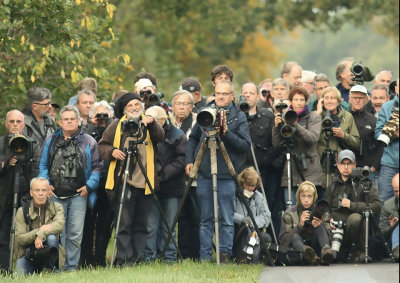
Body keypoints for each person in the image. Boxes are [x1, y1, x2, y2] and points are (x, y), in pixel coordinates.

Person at [185, 80, 251, 262]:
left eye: (225, 94)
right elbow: (193, 139)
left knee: (226, 219)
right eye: (218, 93)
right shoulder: (205, 112)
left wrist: (227, 133)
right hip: (205, 172)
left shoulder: (239, 116)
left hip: (227, 174)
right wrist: (189, 161)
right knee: (205, 218)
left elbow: (245, 145)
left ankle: (225, 255)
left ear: (232, 96)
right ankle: (205, 257)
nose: (221, 97)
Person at [98, 93, 164, 265]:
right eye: (130, 105)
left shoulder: (148, 122)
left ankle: (137, 257)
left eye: (137, 104)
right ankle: (124, 258)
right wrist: (112, 151)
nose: (134, 107)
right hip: (124, 180)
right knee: (124, 223)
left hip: (145, 181)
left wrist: (152, 123)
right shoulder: (116, 126)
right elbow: (101, 146)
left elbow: (160, 137)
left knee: (141, 224)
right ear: (124, 110)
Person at [38, 105, 102, 271]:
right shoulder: (51, 140)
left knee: (75, 234)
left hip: (79, 195)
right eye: (65, 119)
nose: (69, 122)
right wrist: (46, 185)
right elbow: (43, 165)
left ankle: (71, 267)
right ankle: (57, 266)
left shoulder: (89, 141)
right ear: (60, 121)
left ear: (78, 120)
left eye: (72, 119)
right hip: (55, 195)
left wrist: (89, 186)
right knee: (57, 234)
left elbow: (97, 167)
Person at [142, 106, 187, 262]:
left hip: (171, 187)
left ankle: (168, 257)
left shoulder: (177, 135)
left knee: (169, 226)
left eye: (151, 120)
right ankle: (149, 257)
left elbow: (181, 160)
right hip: (150, 185)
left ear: (162, 120)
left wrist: (162, 174)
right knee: (150, 225)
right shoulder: (144, 133)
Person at [0, 110, 40, 273]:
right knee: (2, 236)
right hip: (3, 197)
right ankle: (4, 269)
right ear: (6, 124)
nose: (15, 125)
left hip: (24, 196)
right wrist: (6, 162)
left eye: (18, 122)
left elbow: (36, 170)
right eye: (12, 122)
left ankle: (25, 269)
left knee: (27, 235)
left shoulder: (32, 144)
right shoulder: (1, 142)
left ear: (23, 124)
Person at [324, 150, 381, 262]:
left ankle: (360, 252)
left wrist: (352, 205)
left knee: (355, 218)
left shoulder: (364, 183)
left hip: (355, 229)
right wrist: (328, 220)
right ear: (338, 165)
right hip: (335, 229)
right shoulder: (332, 185)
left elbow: (377, 206)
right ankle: (332, 253)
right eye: (343, 164)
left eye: (349, 163)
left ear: (354, 165)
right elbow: (325, 208)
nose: (346, 167)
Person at [241, 82, 282, 234]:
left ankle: (267, 243)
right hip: (241, 171)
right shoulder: (237, 117)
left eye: (251, 93)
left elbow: (275, 143)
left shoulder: (267, 116)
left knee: (267, 206)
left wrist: (265, 161)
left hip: (264, 170)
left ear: (257, 95)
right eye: (244, 93)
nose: (247, 96)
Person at [272, 86, 323, 202]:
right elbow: (276, 144)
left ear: (306, 102)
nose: (299, 103)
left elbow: (312, 138)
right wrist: (276, 127)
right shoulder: (284, 117)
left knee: (309, 207)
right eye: (296, 100)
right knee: (290, 206)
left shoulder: (314, 117)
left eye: (301, 100)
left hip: (310, 169)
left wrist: (295, 125)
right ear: (291, 101)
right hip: (290, 169)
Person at [80, 101, 115, 267]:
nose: (102, 118)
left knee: (105, 223)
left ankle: (100, 258)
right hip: (90, 182)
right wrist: (90, 125)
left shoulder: (114, 130)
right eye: (98, 114)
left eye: (105, 115)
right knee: (88, 221)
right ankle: (86, 258)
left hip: (108, 183)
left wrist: (108, 124)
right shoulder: (86, 131)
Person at [168, 90, 200, 259]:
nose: (181, 107)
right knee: (174, 218)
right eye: (178, 104)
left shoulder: (198, 122)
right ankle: (175, 253)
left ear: (191, 106)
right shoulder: (168, 121)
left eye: (185, 104)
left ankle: (192, 254)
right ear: (172, 106)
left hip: (193, 178)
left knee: (193, 216)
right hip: (172, 179)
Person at [15, 177, 65, 275]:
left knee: (51, 238)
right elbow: (20, 239)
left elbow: (59, 225)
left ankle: (52, 270)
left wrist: (41, 233)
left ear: (48, 192)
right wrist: (37, 233)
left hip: (50, 254)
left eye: (44, 190)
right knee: (20, 276)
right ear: (31, 192)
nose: (41, 194)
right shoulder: (22, 211)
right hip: (28, 255)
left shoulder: (57, 207)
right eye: (37, 190)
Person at [279, 181, 334, 265]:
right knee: (294, 235)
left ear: (314, 197)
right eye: (303, 196)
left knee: (320, 226)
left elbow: (330, 238)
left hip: (317, 247)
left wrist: (320, 224)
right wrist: (299, 225)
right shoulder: (289, 213)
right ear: (298, 197)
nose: (306, 200)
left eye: (309, 196)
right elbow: (283, 241)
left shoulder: (322, 212)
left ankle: (326, 253)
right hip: (298, 251)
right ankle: (308, 254)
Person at [317, 87, 360, 189]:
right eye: (326, 98)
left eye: (332, 98)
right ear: (322, 101)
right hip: (321, 167)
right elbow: (310, 138)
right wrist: (318, 114)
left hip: (341, 167)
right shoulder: (316, 116)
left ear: (338, 101)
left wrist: (343, 136)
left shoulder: (347, 117)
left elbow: (356, 143)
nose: (329, 101)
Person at [233, 167, 272, 263]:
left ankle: (255, 259)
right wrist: (242, 220)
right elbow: (228, 213)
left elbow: (266, 216)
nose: (250, 189)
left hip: (254, 232)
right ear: (242, 183)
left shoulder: (259, 196)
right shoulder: (233, 195)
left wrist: (252, 222)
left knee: (266, 237)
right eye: (247, 185)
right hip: (237, 232)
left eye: (253, 186)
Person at [375, 79, 399, 202]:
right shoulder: (387, 107)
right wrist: (394, 134)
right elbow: (378, 133)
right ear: (396, 88)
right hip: (390, 164)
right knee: (384, 203)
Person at [348, 85, 379, 177]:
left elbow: (380, 146)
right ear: (350, 98)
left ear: (367, 99)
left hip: (368, 170)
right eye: (355, 97)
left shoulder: (373, 120)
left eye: (361, 98)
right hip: (346, 169)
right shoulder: (344, 118)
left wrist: (374, 166)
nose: (358, 100)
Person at [379, 173, 399, 262]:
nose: (399, 193)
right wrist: (391, 227)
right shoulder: (388, 205)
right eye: (396, 191)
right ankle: (397, 250)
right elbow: (381, 233)